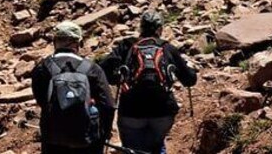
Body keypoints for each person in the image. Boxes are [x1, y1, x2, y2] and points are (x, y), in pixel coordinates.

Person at [100, 11, 197, 154]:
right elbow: (190, 80)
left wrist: (117, 78)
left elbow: (102, 70)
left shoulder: (126, 46)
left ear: (141, 27)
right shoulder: (167, 48)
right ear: (160, 29)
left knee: (132, 149)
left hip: (131, 111)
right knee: (157, 146)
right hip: (162, 111)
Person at [31, 21, 115, 154]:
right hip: (87, 139)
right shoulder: (92, 69)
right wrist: (104, 133)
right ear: (77, 43)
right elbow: (108, 105)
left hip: (53, 136)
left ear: (55, 41)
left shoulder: (42, 68)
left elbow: (41, 100)